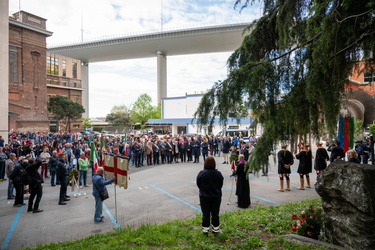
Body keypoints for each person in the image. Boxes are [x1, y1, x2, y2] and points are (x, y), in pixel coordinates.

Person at [196, 156, 224, 235]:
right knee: (215, 213)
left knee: (205, 214)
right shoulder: (218, 173)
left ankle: (205, 229)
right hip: (216, 196)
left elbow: (198, 184)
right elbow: (220, 184)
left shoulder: (202, 173)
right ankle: (216, 229)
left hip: (204, 196)